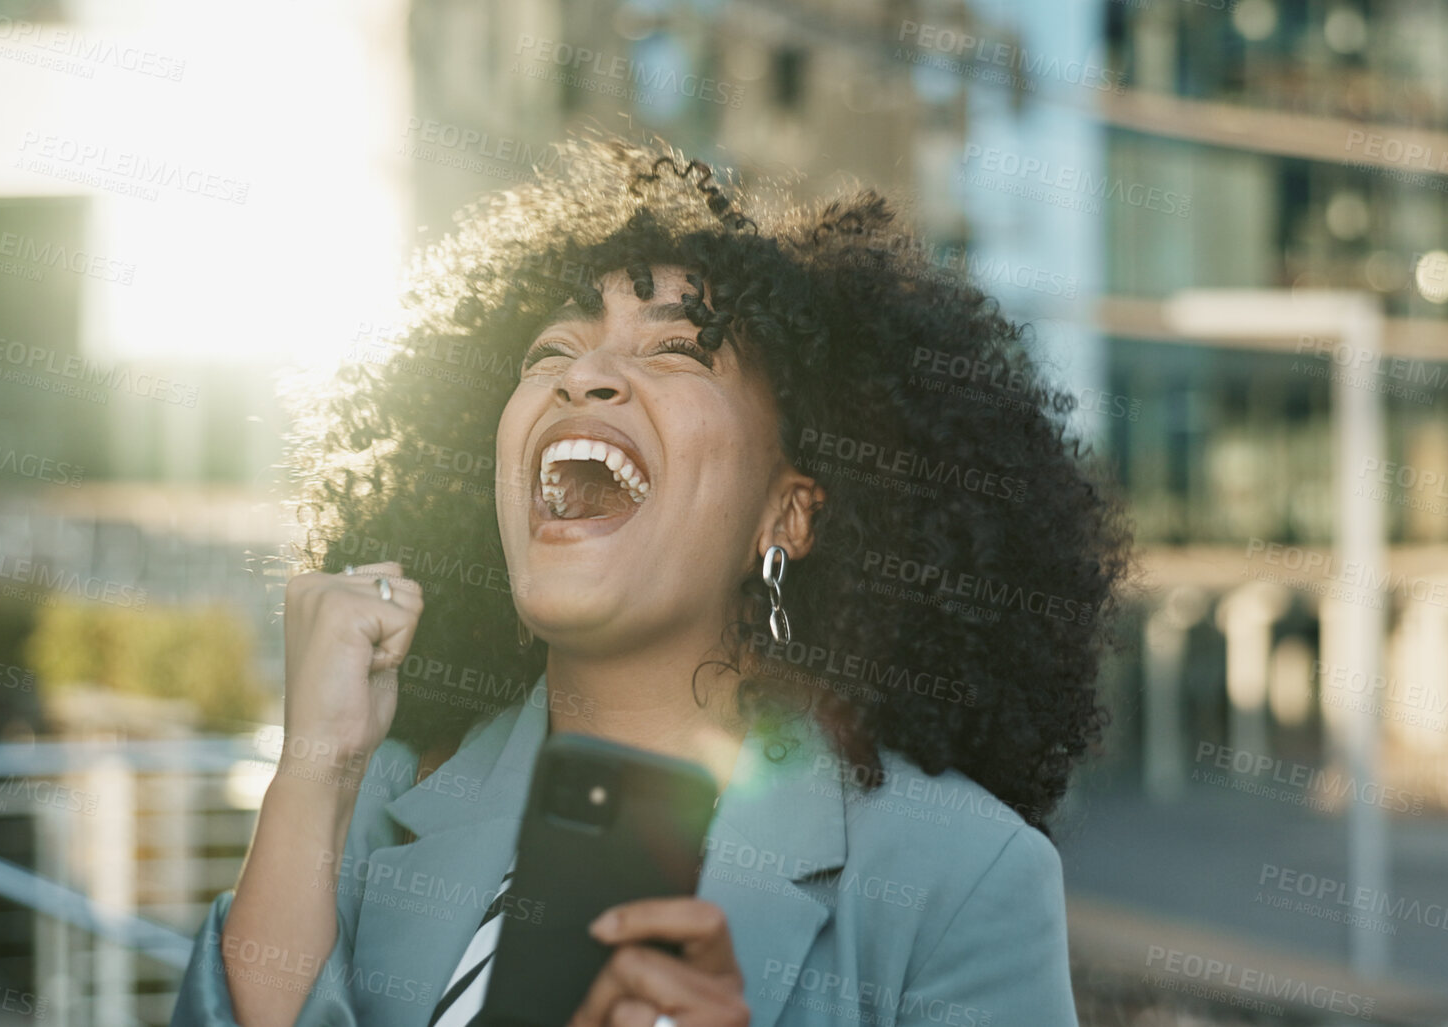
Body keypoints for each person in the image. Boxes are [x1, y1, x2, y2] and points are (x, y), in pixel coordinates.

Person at [171, 134, 1133, 1027]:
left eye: (676, 349)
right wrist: (316, 767)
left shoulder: (962, 873)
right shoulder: (371, 795)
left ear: (787, 512)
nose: (582, 375)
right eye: (550, 350)